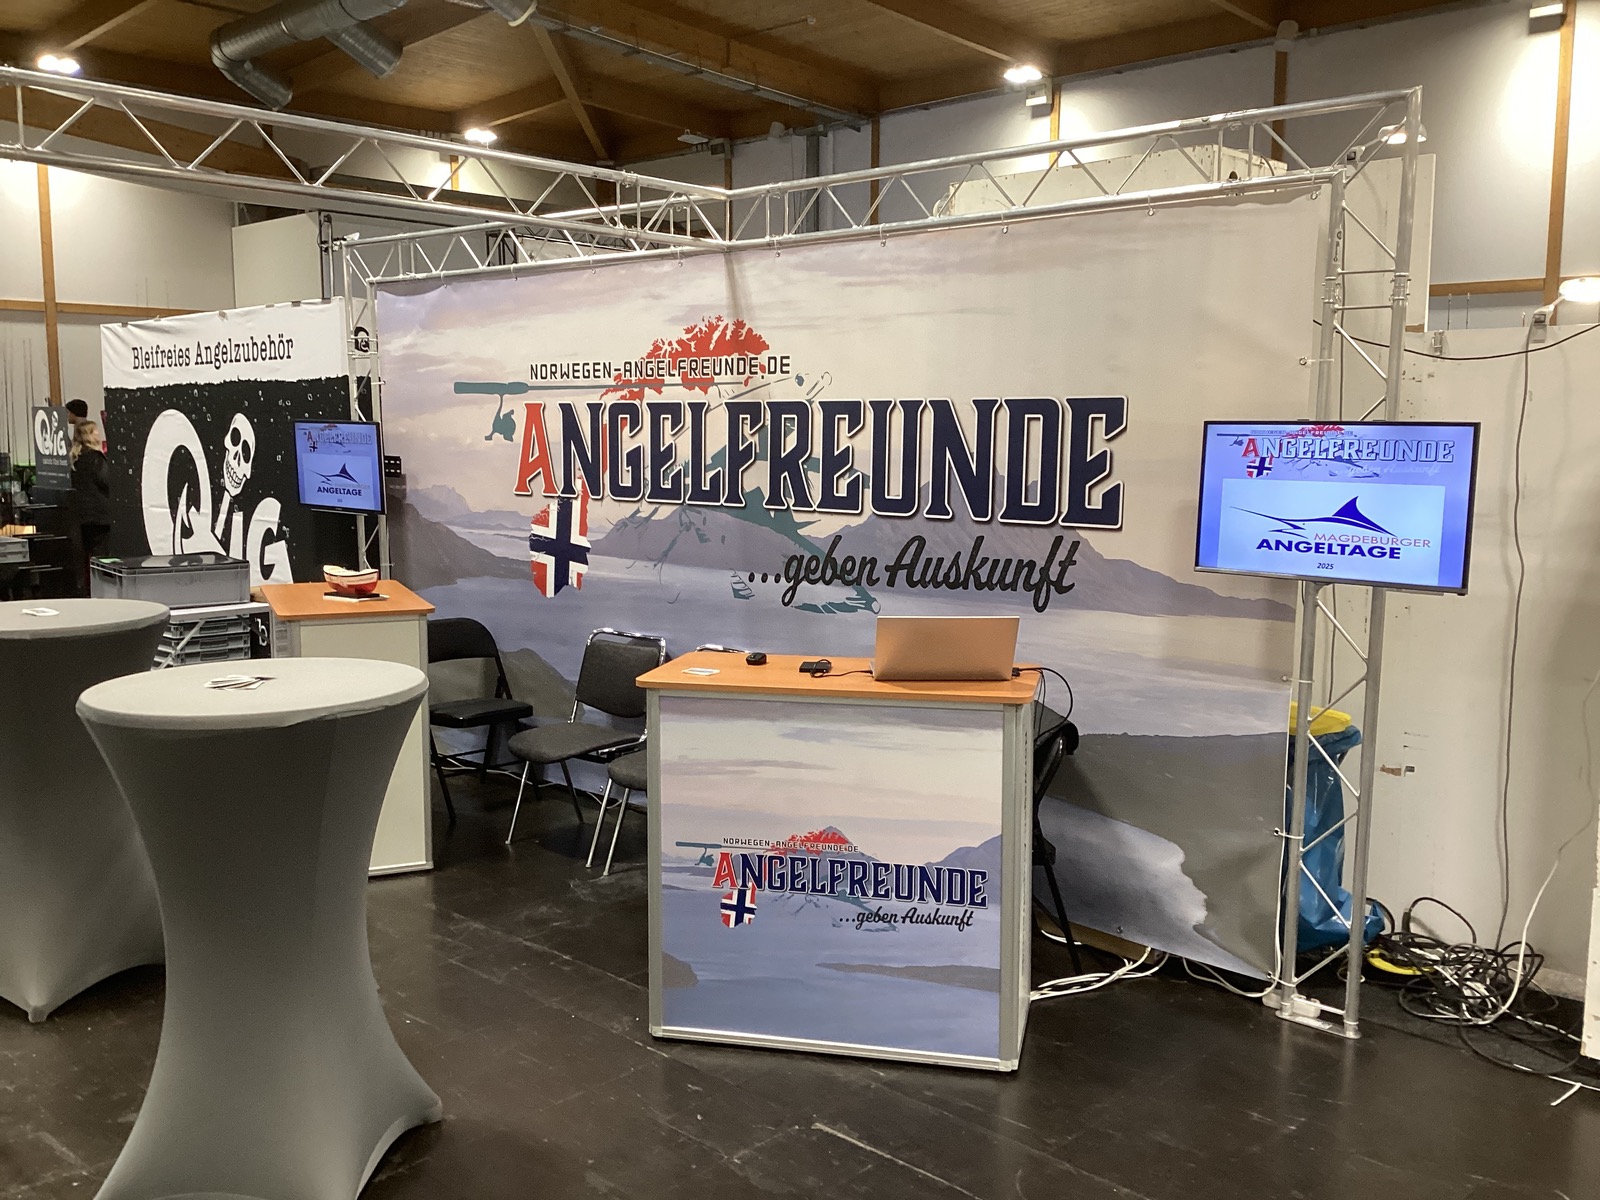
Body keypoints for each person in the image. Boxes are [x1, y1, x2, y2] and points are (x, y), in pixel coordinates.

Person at [70, 420, 112, 584]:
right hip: (99, 516)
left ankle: (89, 587)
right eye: (95, 431)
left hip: (81, 515)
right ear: (89, 435)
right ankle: (102, 587)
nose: (98, 433)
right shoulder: (96, 458)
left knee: (86, 556)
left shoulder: (75, 459)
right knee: (102, 557)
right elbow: (107, 481)